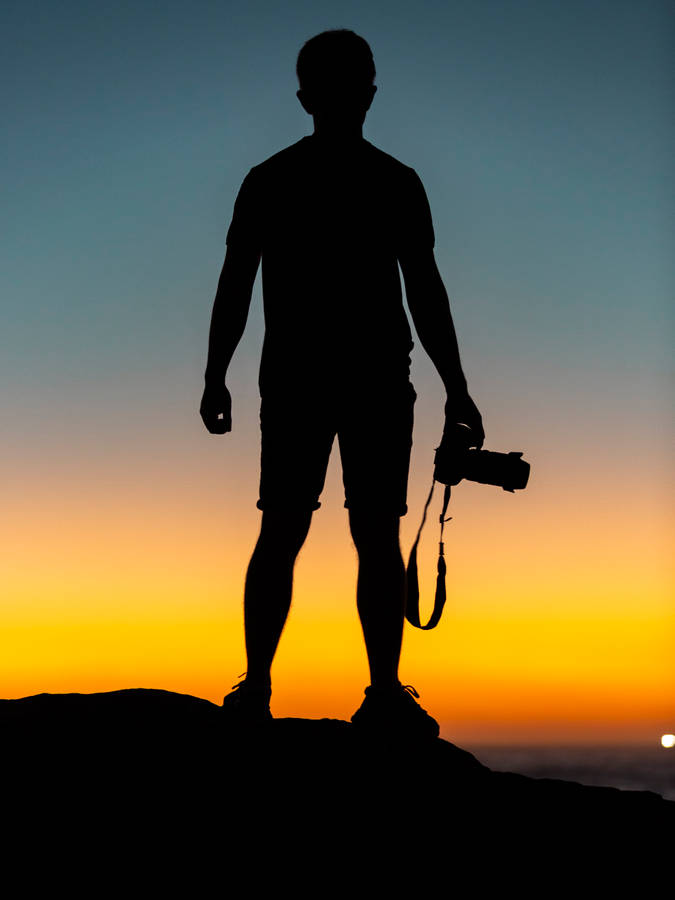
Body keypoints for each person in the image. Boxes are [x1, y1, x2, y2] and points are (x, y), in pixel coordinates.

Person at [200, 29, 484, 738]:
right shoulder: (392, 180)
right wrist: (456, 386)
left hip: (310, 379)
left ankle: (262, 689)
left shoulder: (272, 179)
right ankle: (376, 692)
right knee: (365, 534)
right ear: (369, 95)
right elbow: (425, 292)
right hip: (367, 379)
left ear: (306, 98)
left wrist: (216, 374)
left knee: (288, 529)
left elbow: (236, 285)